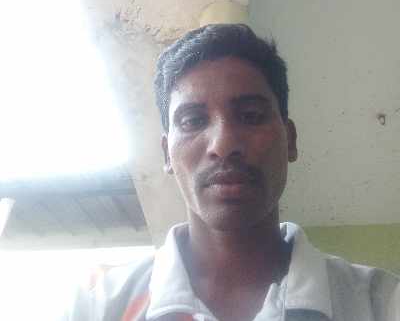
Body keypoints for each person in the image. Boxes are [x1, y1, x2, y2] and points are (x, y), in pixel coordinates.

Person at [64, 24, 400, 320]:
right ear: (167, 154)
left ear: (290, 140)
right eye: (193, 121)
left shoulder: (382, 304)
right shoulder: (96, 309)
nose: (223, 144)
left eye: (251, 116)